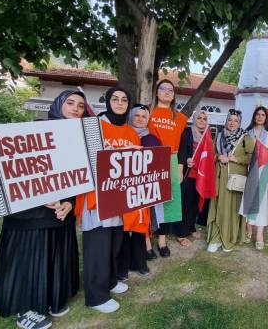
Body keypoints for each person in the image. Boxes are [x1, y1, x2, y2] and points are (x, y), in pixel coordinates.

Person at [0, 90, 83, 329]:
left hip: (60, 211)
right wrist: (39, 193)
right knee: (31, 258)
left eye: (80, 106)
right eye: (70, 103)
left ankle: (51, 299)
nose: (75, 109)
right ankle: (26, 308)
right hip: (29, 212)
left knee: (56, 255)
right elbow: (15, 170)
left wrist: (70, 203)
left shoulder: (79, 138)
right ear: (58, 105)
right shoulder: (35, 129)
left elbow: (80, 176)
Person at [74, 87, 139, 313]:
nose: (119, 103)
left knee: (114, 245)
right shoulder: (94, 126)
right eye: (115, 99)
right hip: (97, 198)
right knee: (98, 247)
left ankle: (110, 281)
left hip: (120, 198)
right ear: (108, 102)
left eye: (124, 100)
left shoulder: (131, 132)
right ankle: (96, 295)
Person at [116, 104, 160, 281]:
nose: (140, 119)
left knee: (140, 228)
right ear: (130, 116)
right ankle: (123, 267)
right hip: (123, 189)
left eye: (144, 116)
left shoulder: (152, 139)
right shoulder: (123, 135)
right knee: (124, 229)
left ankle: (140, 263)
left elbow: (158, 166)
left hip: (143, 190)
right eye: (137, 115)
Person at [148, 79, 189, 258]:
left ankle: (162, 240)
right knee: (147, 200)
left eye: (170, 90)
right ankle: (146, 241)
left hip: (171, 160)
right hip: (150, 159)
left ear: (173, 95)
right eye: (163, 89)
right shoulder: (147, 112)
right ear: (157, 92)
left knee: (167, 201)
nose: (166, 92)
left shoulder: (179, 118)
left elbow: (183, 145)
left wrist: (180, 168)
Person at [207, 109, 254, 252]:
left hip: (235, 180)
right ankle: (216, 237)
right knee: (217, 206)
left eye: (236, 120)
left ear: (240, 123)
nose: (232, 123)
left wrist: (236, 159)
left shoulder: (246, 138)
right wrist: (218, 157)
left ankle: (229, 238)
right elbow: (211, 154)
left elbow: (253, 158)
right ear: (226, 121)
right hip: (219, 177)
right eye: (230, 120)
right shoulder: (219, 136)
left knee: (231, 208)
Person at [243, 106, 268, 250]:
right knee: (249, 202)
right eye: (258, 114)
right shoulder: (247, 133)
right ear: (254, 116)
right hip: (249, 172)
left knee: (262, 205)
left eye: (263, 115)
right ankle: (249, 229)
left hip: (263, 172)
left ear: (266, 118)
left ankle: (259, 236)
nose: (260, 117)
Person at [176, 110, 210, 247]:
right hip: (188, 174)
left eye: (204, 118)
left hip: (200, 175)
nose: (202, 120)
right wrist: (187, 160)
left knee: (195, 203)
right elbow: (181, 151)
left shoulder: (206, 134)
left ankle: (190, 228)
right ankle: (181, 234)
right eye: (199, 118)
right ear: (194, 119)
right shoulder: (187, 132)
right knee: (186, 204)